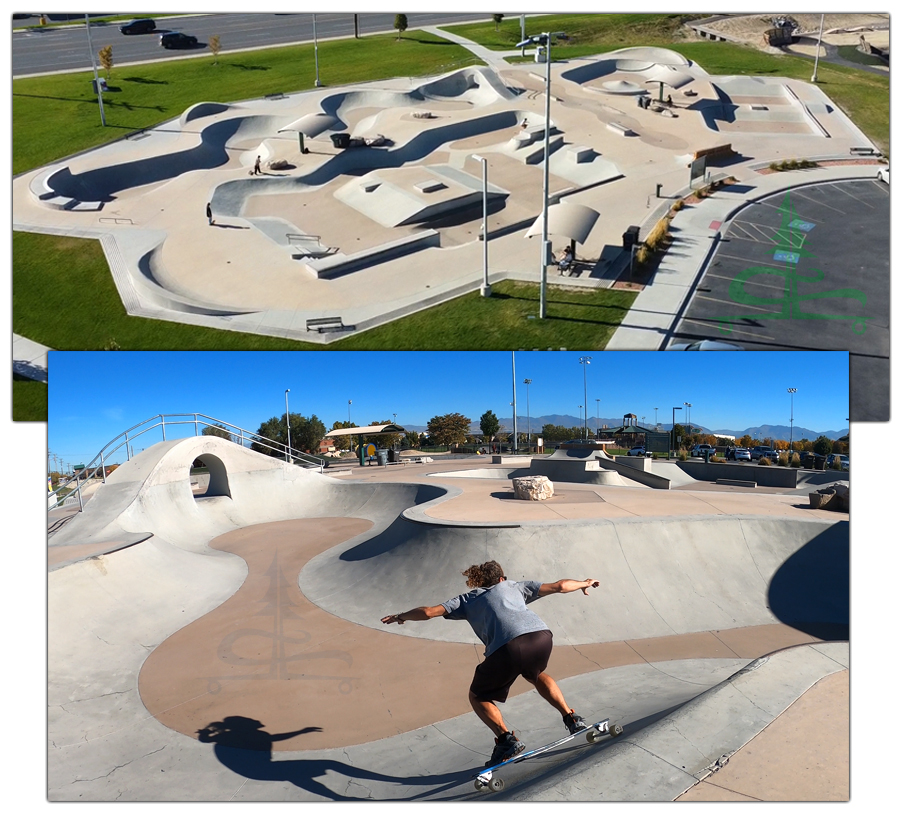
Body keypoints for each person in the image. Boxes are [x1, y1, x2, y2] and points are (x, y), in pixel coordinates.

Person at [381, 560, 600, 767]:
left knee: (478, 696)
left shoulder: (467, 599)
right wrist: (585, 583)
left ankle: (506, 740)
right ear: (502, 578)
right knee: (535, 673)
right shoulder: (515, 586)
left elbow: (428, 612)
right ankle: (572, 718)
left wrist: (402, 616)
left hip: (508, 647)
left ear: (481, 583)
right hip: (541, 636)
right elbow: (560, 586)